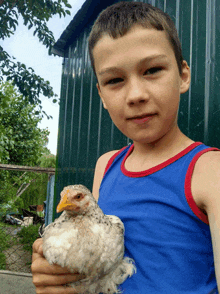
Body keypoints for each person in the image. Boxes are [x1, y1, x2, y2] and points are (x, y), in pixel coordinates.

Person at [31, 2, 220, 293]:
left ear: (183, 75)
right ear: (102, 95)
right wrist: (54, 269)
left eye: (153, 70)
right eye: (115, 80)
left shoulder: (210, 171)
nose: (135, 95)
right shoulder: (105, 165)